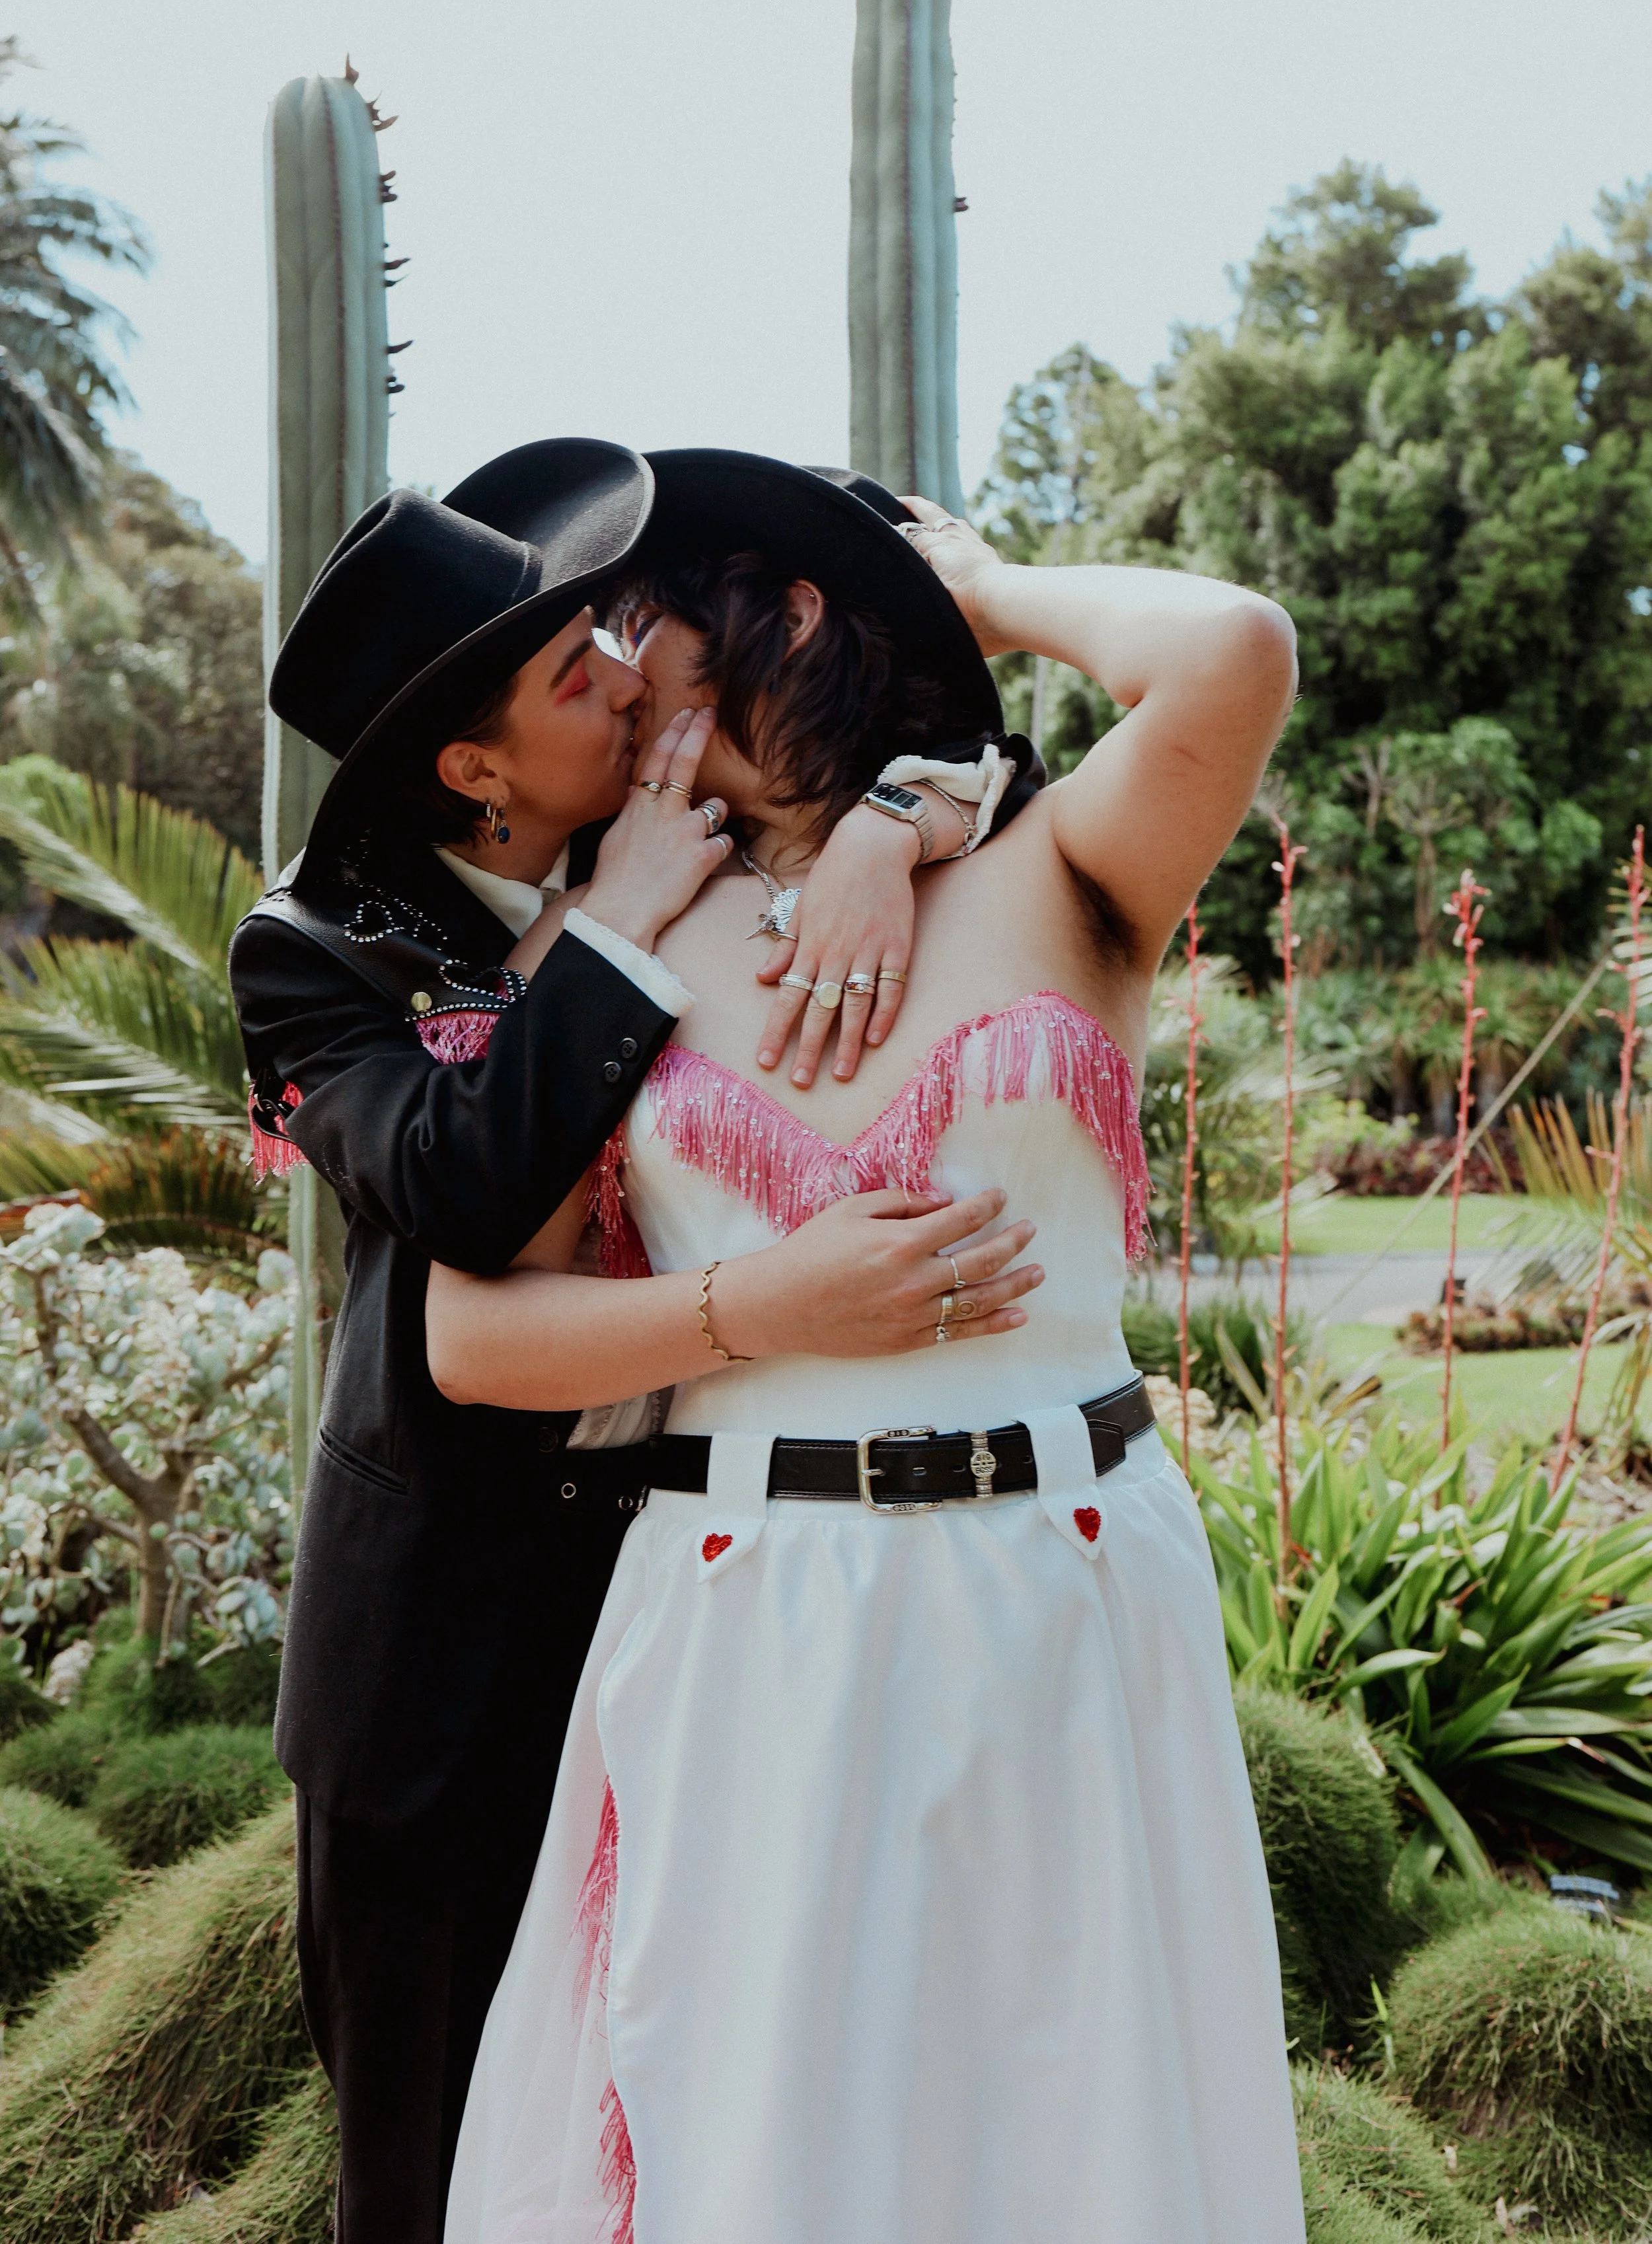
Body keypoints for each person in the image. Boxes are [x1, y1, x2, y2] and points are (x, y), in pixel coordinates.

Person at [431, 452, 1307, 2244]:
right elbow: (474, 1332)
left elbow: (1229, 648)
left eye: (640, 615)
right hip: (756, 1610)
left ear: (794, 608)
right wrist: (761, 1307)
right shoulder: (601, 935)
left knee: (1077, 2135)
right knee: (758, 2136)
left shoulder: (1061, 863)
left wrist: (972, 598)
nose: (607, 662)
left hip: (1062, 1597)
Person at [227, 442, 1030, 2244]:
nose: (634, 667)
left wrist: (894, 826)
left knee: (661, 2142)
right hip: (434, 1665)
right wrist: (609, 930)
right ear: (472, 767)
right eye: (576, 665)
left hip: (689, 1626)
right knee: (432, 2175)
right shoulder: (317, 954)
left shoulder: (687, 820)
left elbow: (1003, 754)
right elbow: (454, 1181)